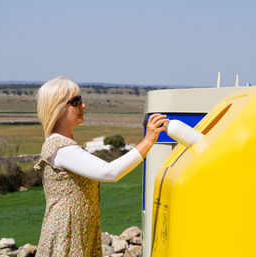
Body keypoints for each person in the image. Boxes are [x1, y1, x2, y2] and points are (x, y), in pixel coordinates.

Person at [34, 76, 168, 256]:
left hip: (77, 234)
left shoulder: (63, 146)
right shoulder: (60, 148)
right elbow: (109, 172)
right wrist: (148, 141)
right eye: (76, 101)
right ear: (57, 108)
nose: (83, 105)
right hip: (67, 239)